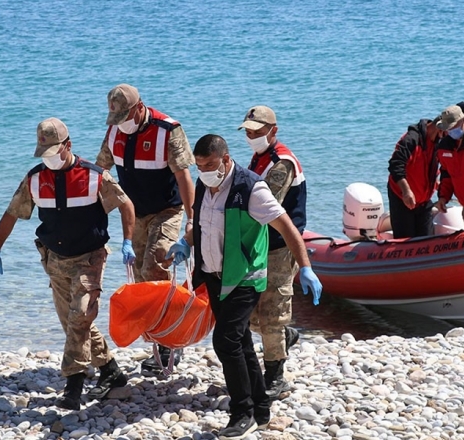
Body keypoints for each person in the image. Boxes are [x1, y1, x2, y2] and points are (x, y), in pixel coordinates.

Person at [166, 134, 323, 440]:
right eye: (199, 165)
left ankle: (243, 413)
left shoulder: (251, 188)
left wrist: (306, 267)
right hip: (213, 277)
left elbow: (287, 226)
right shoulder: (203, 184)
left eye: (209, 164)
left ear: (225, 159)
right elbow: (201, 223)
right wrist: (184, 243)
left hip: (245, 278)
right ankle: (261, 407)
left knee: (225, 342)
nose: (204, 171)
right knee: (241, 342)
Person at [0, 117, 136, 410]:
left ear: (68, 146)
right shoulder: (35, 179)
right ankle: (112, 373)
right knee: (76, 324)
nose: (49, 160)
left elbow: (125, 204)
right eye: (44, 154)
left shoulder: (95, 176)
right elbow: (12, 213)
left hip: (89, 258)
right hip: (53, 259)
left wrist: (128, 241)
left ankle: (73, 387)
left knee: (79, 317)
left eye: (54, 153)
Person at [95, 84, 195, 376]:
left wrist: (191, 221)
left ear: (140, 108)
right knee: (141, 278)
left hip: (168, 209)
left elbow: (184, 176)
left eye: (126, 116)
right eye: (116, 117)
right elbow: (100, 172)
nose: (121, 123)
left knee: (155, 267)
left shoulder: (168, 130)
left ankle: (171, 341)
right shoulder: (114, 130)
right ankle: (159, 335)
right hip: (135, 213)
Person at [238, 105, 306, 397]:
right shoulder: (260, 158)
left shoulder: (281, 163)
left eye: (257, 131)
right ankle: (284, 337)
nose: (252, 136)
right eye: (249, 132)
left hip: (279, 246)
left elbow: (264, 206)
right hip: (260, 244)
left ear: (272, 130)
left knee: (272, 313)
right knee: (253, 316)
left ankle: (276, 376)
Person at [386, 117, 445, 238]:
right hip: (401, 197)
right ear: (440, 129)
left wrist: (442, 191)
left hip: (424, 201)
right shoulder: (411, 139)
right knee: (406, 242)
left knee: (427, 241)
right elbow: (395, 165)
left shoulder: (439, 143)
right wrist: (406, 191)